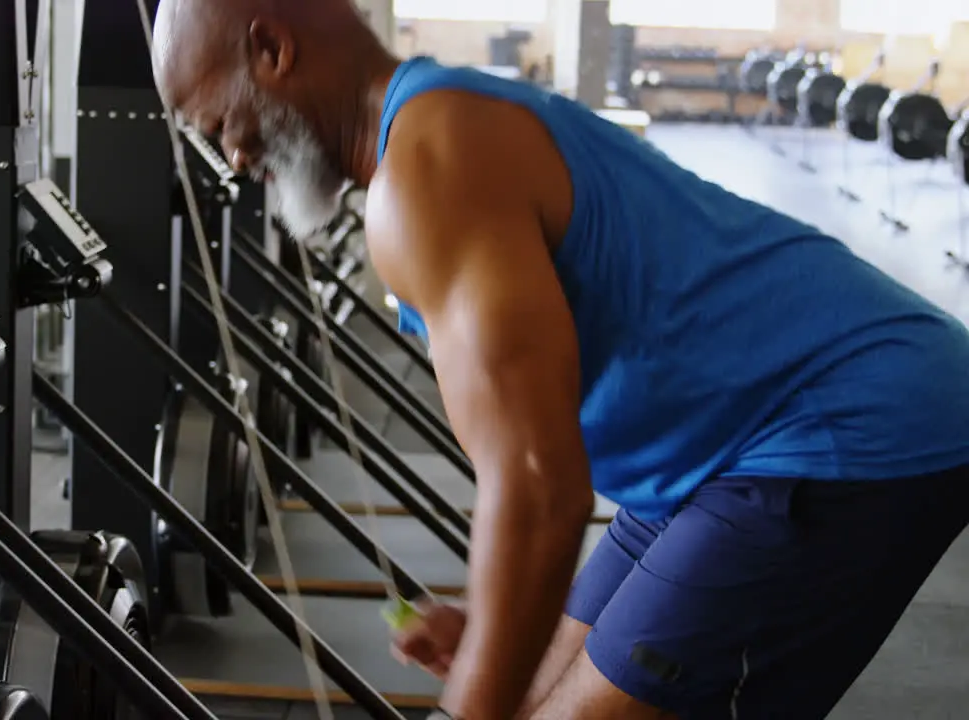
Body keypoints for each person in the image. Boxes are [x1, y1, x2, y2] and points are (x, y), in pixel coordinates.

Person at [150, 1, 969, 718]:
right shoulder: (438, 124)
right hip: (706, 447)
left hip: (839, 423)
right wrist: (494, 652)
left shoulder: (428, 168)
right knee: (535, 686)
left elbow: (541, 490)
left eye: (216, 124)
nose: (232, 159)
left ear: (272, 51)